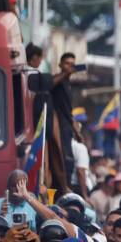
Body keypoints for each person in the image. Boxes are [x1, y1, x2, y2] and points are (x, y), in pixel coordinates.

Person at [51, 51, 80, 188]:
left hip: (67, 127)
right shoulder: (58, 80)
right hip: (58, 126)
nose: (70, 67)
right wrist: (65, 74)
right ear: (60, 65)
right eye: (67, 64)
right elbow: (50, 84)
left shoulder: (69, 85)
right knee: (62, 159)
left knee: (69, 160)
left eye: (72, 65)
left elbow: (69, 111)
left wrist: (77, 131)